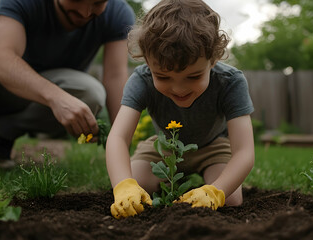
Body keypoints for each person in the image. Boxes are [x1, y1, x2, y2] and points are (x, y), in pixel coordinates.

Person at [0, 0, 135, 169]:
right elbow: (3, 62)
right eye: (76, 0)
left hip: (32, 104)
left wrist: (121, 142)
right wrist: (57, 98)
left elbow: (115, 76)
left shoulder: (118, 12)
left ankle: (1, 135)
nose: (85, 12)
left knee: (91, 92)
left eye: (98, 3)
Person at [106, 0, 255, 219]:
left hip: (213, 146)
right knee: (138, 186)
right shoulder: (141, 80)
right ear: (147, 61)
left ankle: (201, 182)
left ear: (213, 59)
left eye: (193, 76)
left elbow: (244, 151)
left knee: (231, 200)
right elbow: (118, 137)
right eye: (163, 77)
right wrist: (123, 185)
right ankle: (179, 179)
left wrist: (215, 191)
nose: (179, 88)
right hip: (165, 145)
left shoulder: (230, 82)